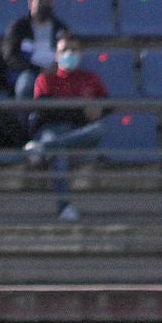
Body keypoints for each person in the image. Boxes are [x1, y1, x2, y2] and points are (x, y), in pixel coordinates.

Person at [27, 34, 109, 221]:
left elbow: (104, 106)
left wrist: (91, 110)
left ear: (80, 53)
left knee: (98, 130)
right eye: (65, 50)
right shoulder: (45, 79)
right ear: (56, 55)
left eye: (73, 50)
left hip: (79, 133)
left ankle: (42, 149)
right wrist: (80, 111)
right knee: (60, 153)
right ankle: (64, 208)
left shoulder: (90, 79)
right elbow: (46, 112)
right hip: (51, 129)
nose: (69, 54)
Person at [4, 0, 71, 101]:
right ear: (31, 3)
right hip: (29, 71)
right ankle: (24, 118)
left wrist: (58, 66)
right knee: (25, 86)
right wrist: (37, 69)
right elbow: (10, 55)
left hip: (55, 72)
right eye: (40, 1)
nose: (43, 5)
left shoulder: (60, 28)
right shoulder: (19, 27)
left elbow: (69, 51)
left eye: (48, 1)